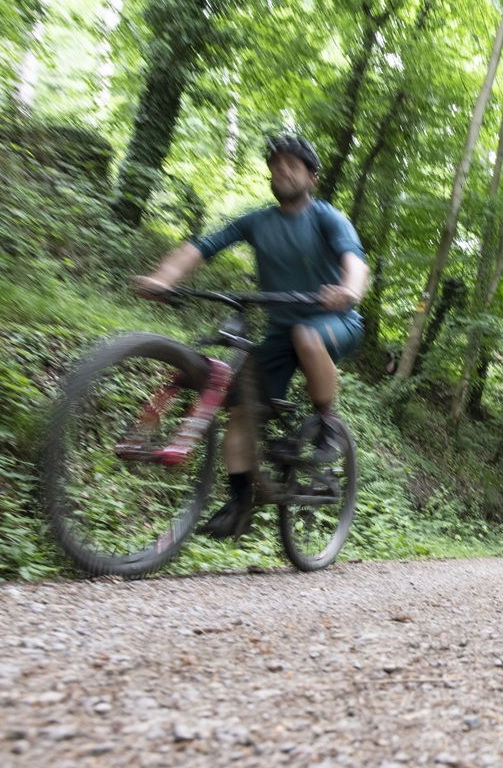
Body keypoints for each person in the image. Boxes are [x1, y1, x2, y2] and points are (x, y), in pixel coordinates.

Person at [133, 135, 370, 539]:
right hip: (281, 332)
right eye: (276, 164)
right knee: (241, 410)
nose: (282, 170)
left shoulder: (327, 217)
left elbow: (355, 263)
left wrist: (348, 291)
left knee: (305, 334)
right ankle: (241, 501)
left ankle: (326, 422)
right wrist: (163, 278)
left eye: (293, 165)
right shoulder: (257, 221)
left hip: (336, 320)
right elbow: (202, 246)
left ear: (312, 177)